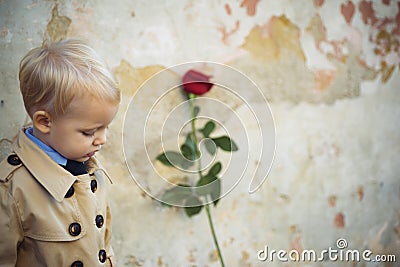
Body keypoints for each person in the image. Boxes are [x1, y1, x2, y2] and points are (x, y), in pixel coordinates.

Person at [0, 39, 120, 266]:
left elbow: (104, 247)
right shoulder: (12, 189)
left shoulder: (93, 172)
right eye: (89, 132)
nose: (102, 140)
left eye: (106, 128)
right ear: (45, 122)